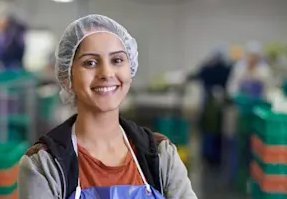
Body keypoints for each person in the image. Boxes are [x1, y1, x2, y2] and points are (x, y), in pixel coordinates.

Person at [18, 14, 197, 199]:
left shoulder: (160, 155)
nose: (106, 73)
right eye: (90, 63)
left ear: (130, 68)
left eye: (117, 60)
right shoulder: (45, 164)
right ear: (67, 77)